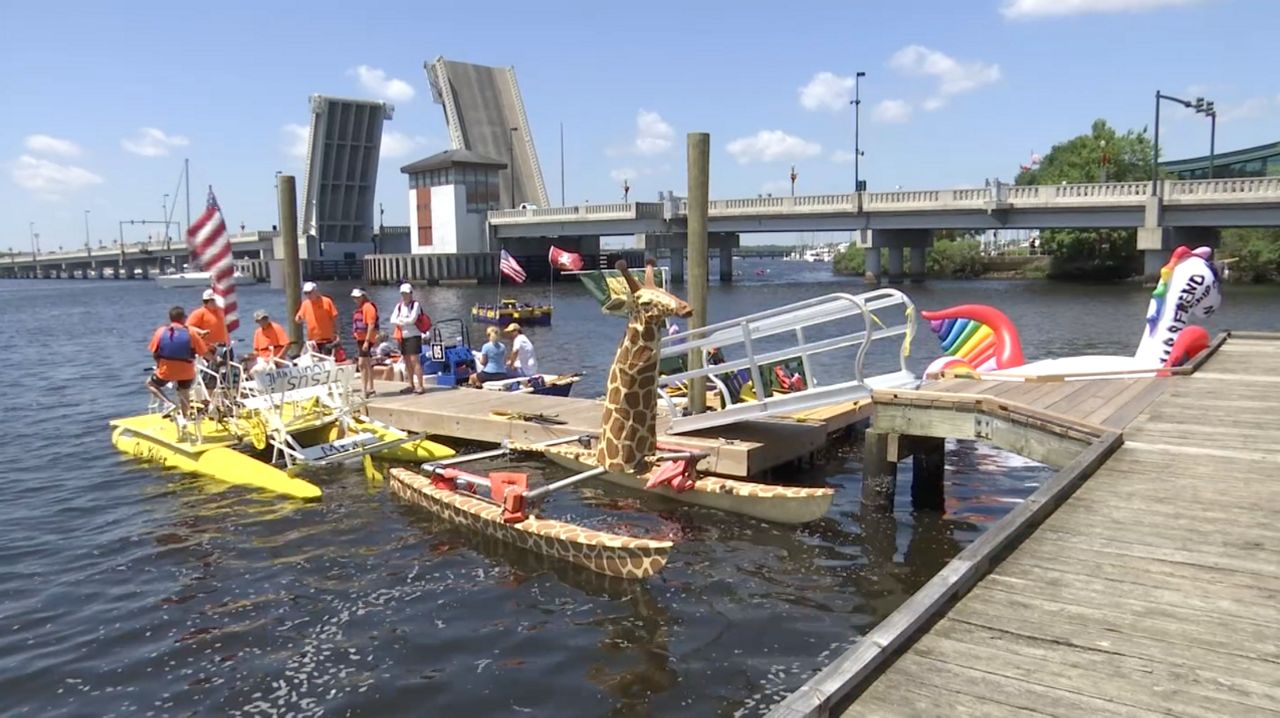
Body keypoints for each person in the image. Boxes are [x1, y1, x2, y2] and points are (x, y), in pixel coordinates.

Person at [146, 306, 210, 419]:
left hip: (166, 371)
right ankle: (186, 418)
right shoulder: (191, 333)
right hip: (186, 372)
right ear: (184, 318)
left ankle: (168, 403)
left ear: (170, 318)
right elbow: (203, 352)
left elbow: (154, 352)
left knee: (150, 384)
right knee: (184, 392)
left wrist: (159, 365)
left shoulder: (160, 331)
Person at [389, 282, 427, 394]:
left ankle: (420, 385)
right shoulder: (399, 306)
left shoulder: (415, 305)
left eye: (406, 293)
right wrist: (403, 321)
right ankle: (410, 384)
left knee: (415, 360)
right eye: (403, 294)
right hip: (403, 336)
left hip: (414, 335)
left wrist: (400, 321)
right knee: (406, 361)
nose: (404, 296)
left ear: (411, 294)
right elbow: (392, 319)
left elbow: (412, 320)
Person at [295, 281, 338, 356]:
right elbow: (298, 318)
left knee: (327, 359)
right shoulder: (305, 304)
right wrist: (298, 318)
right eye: (305, 293)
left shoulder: (327, 301)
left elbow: (334, 318)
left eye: (309, 293)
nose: (308, 295)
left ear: (315, 291)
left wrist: (336, 334)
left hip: (327, 339)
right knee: (311, 359)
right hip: (313, 341)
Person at [350, 288, 380, 396]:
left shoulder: (368, 307)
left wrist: (367, 341)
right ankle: (370, 388)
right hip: (360, 339)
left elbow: (371, 324)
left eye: (358, 297)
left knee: (362, 363)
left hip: (366, 339)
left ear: (363, 296)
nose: (356, 300)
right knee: (366, 363)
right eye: (354, 298)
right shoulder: (360, 308)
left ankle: (364, 389)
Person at [187, 288, 229, 359]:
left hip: (224, 346)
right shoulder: (199, 313)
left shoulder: (221, 311)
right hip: (207, 348)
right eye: (213, 301)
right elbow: (188, 327)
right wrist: (201, 331)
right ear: (206, 302)